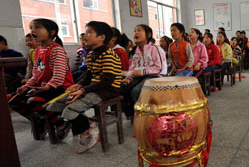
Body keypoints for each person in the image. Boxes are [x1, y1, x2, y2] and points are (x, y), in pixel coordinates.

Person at [46, 21, 122, 153]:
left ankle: (87, 132)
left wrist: (83, 90)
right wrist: (78, 84)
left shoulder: (109, 55)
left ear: (101, 37)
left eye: (89, 32)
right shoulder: (92, 54)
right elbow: (88, 75)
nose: (85, 35)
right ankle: (90, 125)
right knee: (53, 106)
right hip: (94, 87)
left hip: (107, 90)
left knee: (69, 111)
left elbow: (107, 81)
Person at [10, 19, 73, 140]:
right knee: (12, 99)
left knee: (34, 101)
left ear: (52, 32)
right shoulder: (37, 50)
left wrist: (46, 87)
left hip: (61, 87)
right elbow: (35, 74)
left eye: (37, 27)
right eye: (31, 28)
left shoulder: (57, 50)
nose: (33, 31)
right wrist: (26, 86)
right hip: (43, 86)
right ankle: (41, 120)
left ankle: (61, 124)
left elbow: (59, 76)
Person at [121, 24, 164, 118]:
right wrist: (128, 77)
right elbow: (133, 67)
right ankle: (132, 115)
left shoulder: (155, 49)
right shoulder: (136, 50)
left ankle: (145, 117)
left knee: (136, 91)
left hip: (155, 76)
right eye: (135, 31)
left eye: (139, 30)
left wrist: (142, 72)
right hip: (141, 76)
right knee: (123, 88)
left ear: (148, 35)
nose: (135, 32)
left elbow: (159, 68)